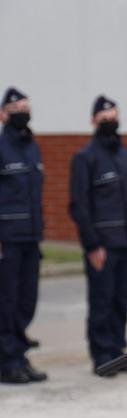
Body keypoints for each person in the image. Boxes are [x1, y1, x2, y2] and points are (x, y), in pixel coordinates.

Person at [69, 95, 127, 377]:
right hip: (102, 245)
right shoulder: (85, 158)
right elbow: (79, 205)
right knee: (102, 301)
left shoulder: (126, 156)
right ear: (93, 121)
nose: (110, 121)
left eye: (114, 116)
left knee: (122, 300)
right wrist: (92, 245)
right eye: (105, 118)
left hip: (126, 243)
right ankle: (101, 356)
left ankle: (118, 353)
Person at [0, 87, 47, 384]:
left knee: (26, 301)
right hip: (8, 240)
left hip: (31, 237)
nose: (23, 113)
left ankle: (18, 354)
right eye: (16, 108)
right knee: (6, 302)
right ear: (3, 114)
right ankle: (8, 361)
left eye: (26, 107)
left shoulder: (32, 148)